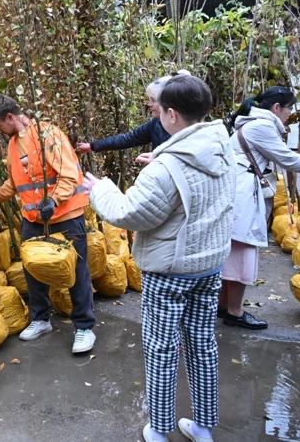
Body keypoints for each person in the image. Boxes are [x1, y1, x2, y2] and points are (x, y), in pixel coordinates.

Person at [81, 75, 234, 442]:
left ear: (169, 114)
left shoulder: (166, 168)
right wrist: (159, 160)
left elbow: (129, 213)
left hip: (171, 272)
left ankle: (160, 430)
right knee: (202, 345)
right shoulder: (220, 145)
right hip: (210, 265)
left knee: (162, 349)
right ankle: (202, 426)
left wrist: (99, 188)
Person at [0, 93, 96, 354]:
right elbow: (16, 183)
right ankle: (41, 319)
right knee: (32, 269)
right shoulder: (12, 144)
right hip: (33, 219)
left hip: (65, 216)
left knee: (76, 272)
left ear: (10, 117)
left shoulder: (48, 135)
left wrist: (52, 202)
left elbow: (69, 176)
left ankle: (84, 327)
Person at [221, 86, 300, 330]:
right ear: (276, 108)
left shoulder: (250, 123)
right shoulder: (261, 126)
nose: (289, 114)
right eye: (289, 109)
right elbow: (285, 157)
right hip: (242, 195)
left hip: (236, 191)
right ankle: (234, 311)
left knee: (232, 250)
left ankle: (223, 306)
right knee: (242, 250)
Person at [77, 70, 191, 165]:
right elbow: (128, 139)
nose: (149, 104)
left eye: (153, 100)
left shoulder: (188, 128)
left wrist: (160, 162)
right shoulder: (156, 124)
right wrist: (92, 146)